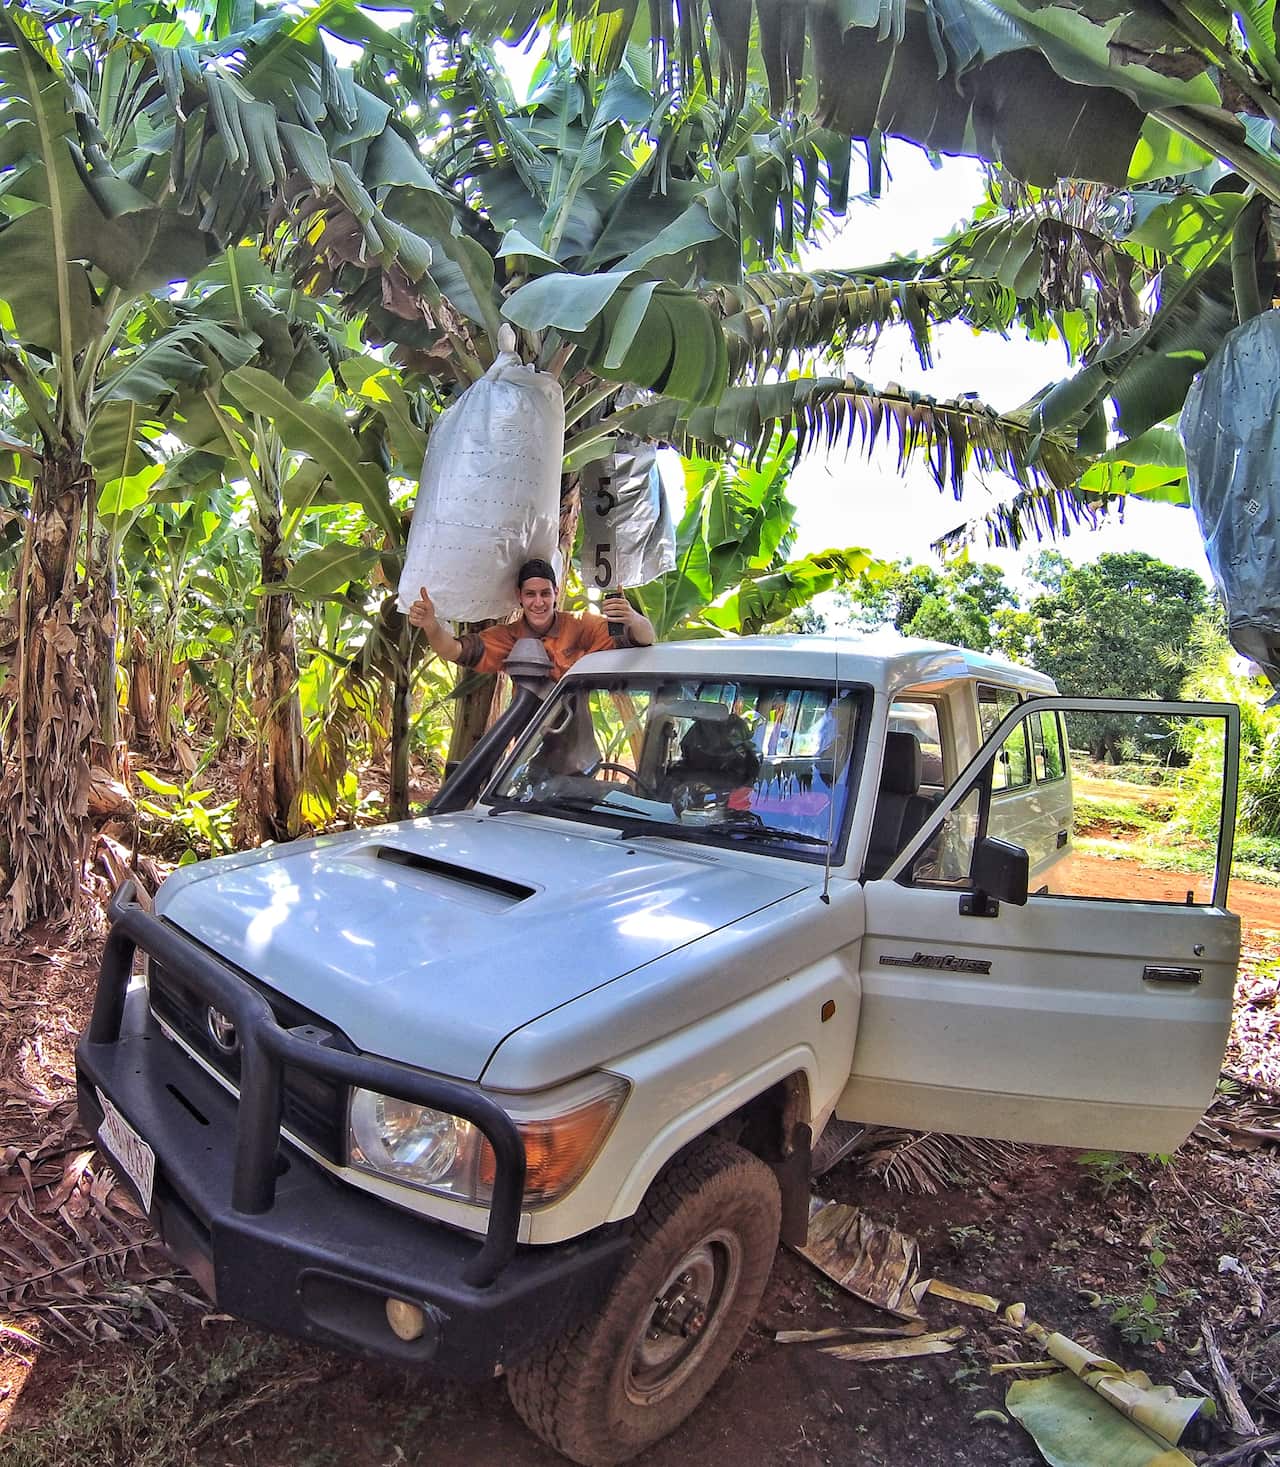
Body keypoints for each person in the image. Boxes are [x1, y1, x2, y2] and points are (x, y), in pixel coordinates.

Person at [407, 557, 654, 681]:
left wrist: (633, 618)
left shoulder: (581, 626)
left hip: (576, 743)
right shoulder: (508, 637)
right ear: (520, 597)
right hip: (527, 740)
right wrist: (431, 625)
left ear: (556, 593)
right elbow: (454, 650)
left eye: (545, 593)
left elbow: (643, 640)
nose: (539, 602)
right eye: (530, 594)